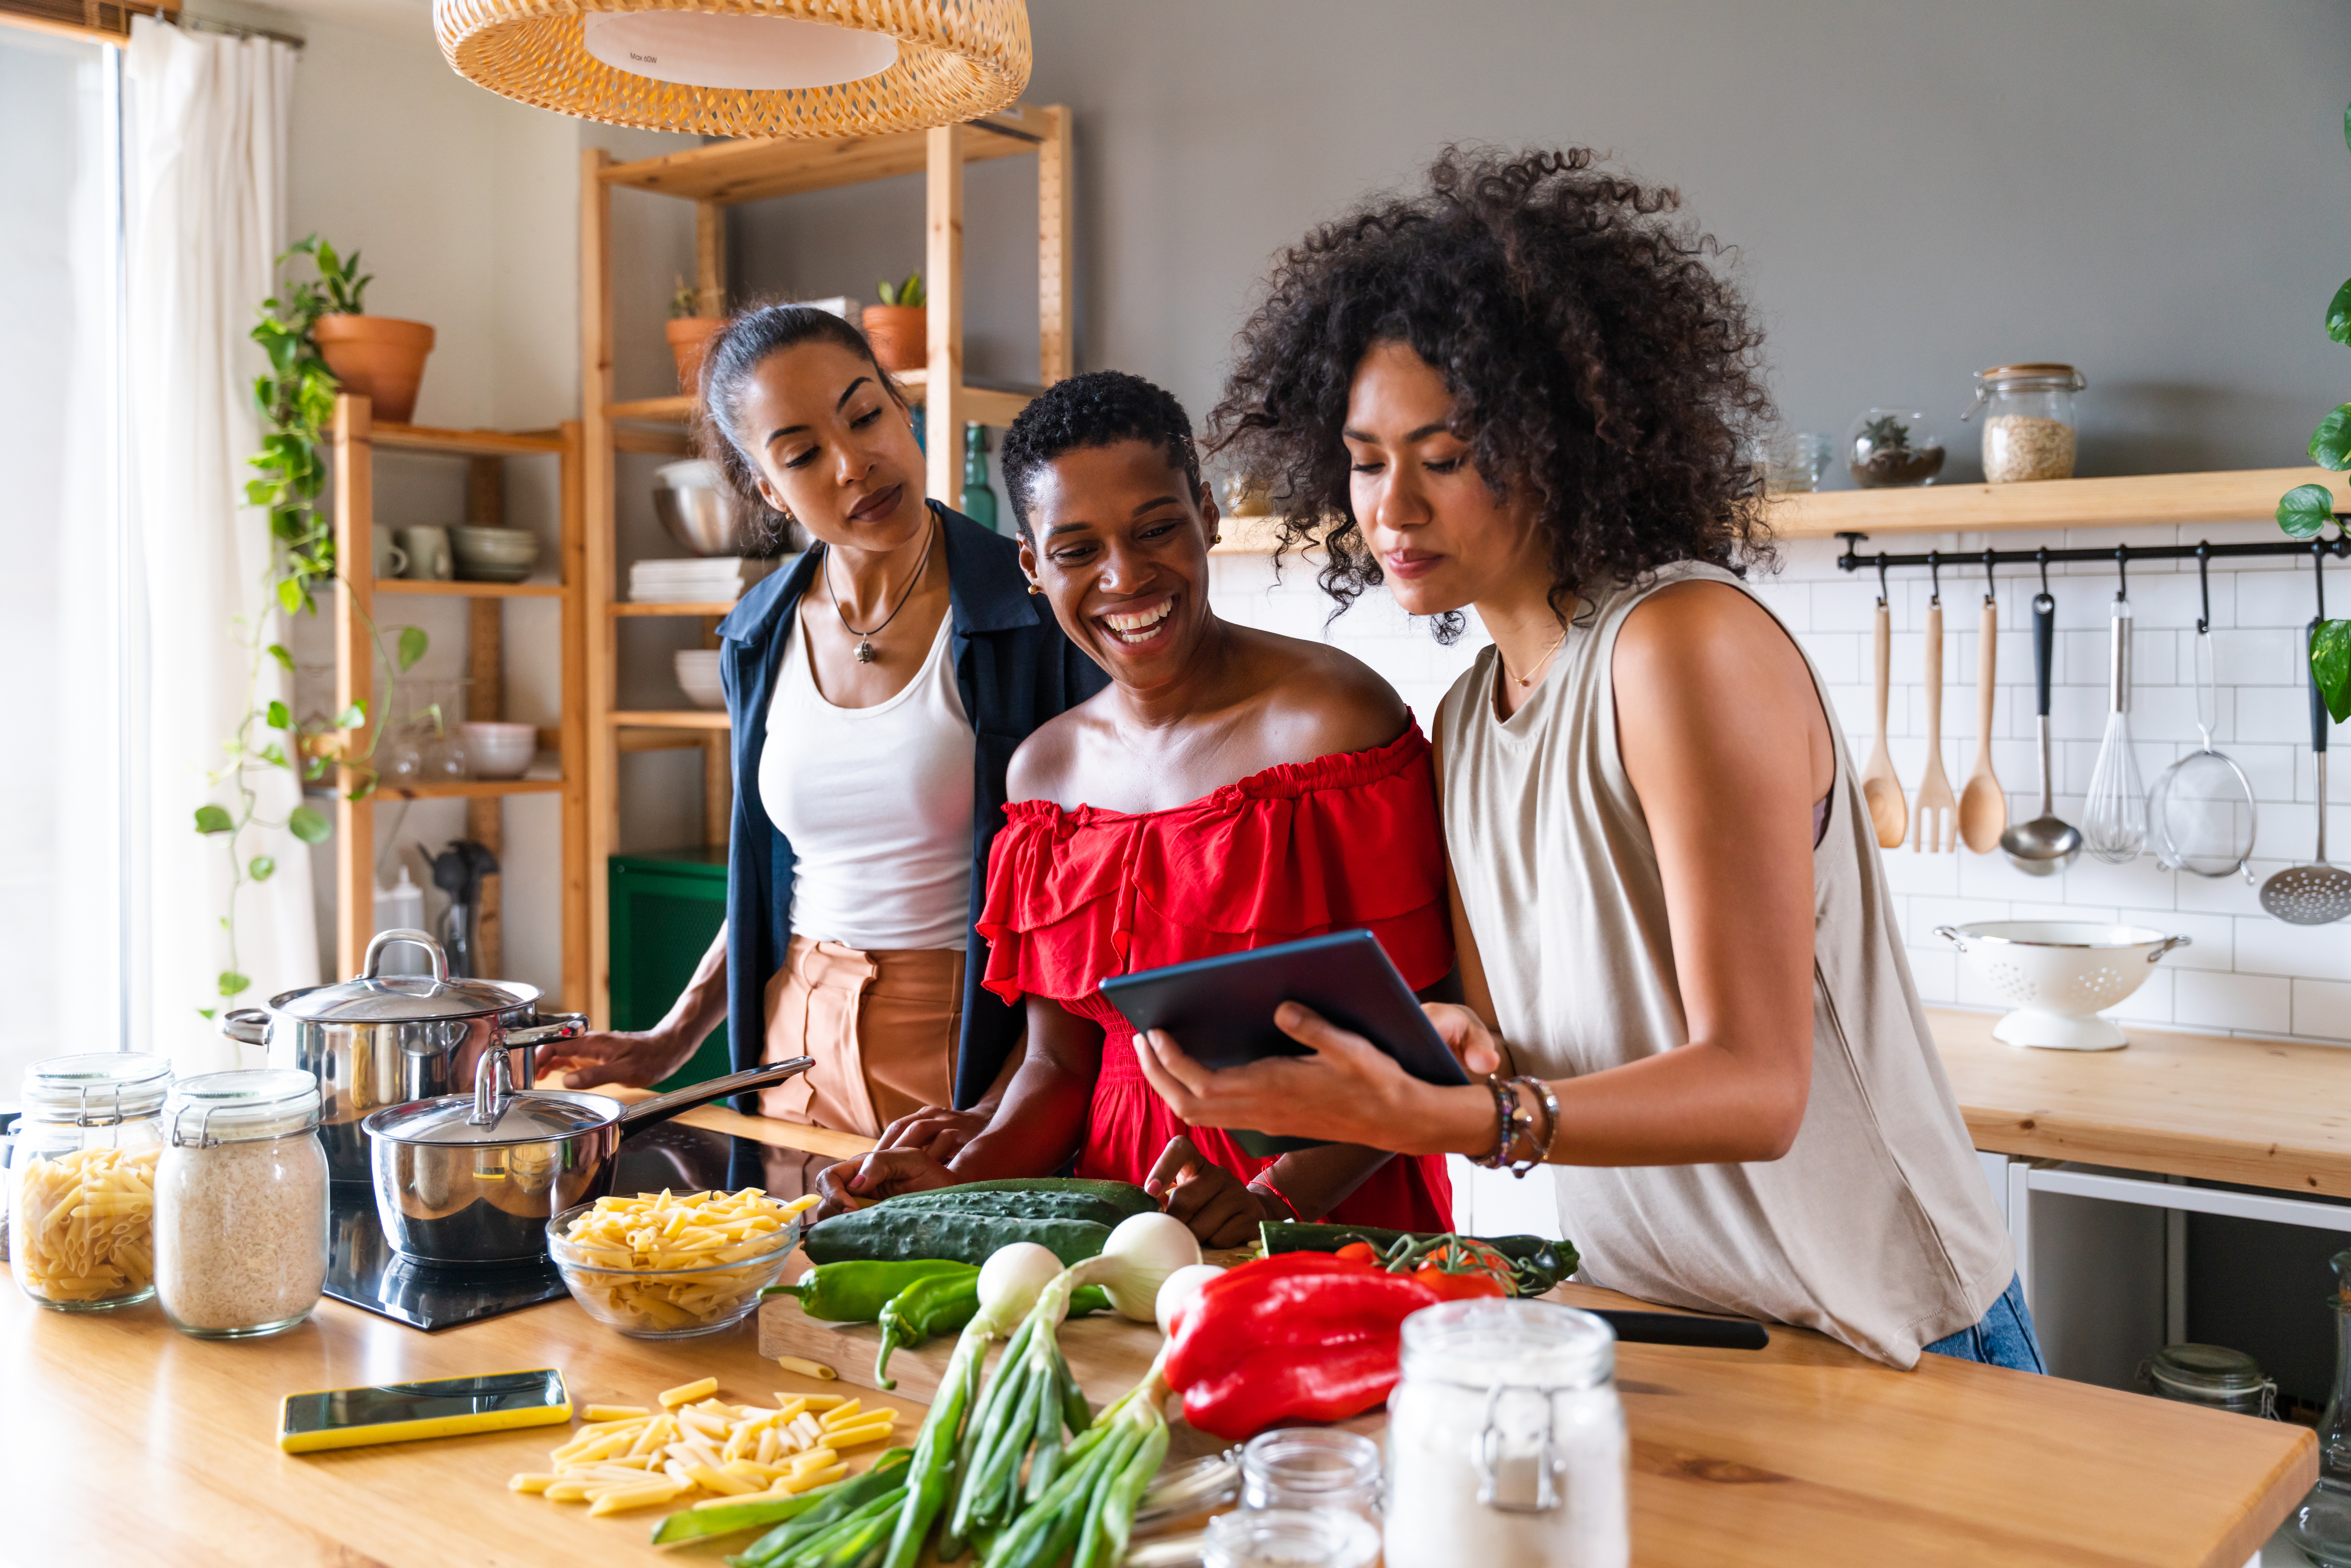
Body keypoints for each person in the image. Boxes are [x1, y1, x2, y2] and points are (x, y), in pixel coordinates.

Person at [1132, 148, 2035, 1372]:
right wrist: (1340, 1107)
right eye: (1362, 460)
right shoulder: (1461, 721)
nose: (1390, 508)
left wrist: (1456, 1115)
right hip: (1688, 1334)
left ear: (1554, 441)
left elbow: (1755, 1089)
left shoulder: (1679, 647)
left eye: (1441, 458)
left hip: (1890, 1332)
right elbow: (1510, 1046)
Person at [816, 371, 1456, 1246]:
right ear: (1032, 566)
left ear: (1206, 515)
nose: (1125, 576)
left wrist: (1280, 1194)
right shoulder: (1042, 777)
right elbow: (1055, 1066)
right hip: (1116, 1215)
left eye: (1156, 529)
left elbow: (1431, 1025)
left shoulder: (1330, 721)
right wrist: (955, 1180)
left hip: (1325, 1203)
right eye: (1076, 550)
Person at [537, 306, 1104, 1180]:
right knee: (784, 1306)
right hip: (789, 1044)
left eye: (865, 413)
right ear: (768, 489)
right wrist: (668, 1041)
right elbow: (768, 870)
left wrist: (1002, 1110)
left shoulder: (1030, 607)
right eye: (801, 454)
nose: (853, 463)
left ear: (901, 406)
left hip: (966, 1049)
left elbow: (1091, 888)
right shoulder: (755, 637)